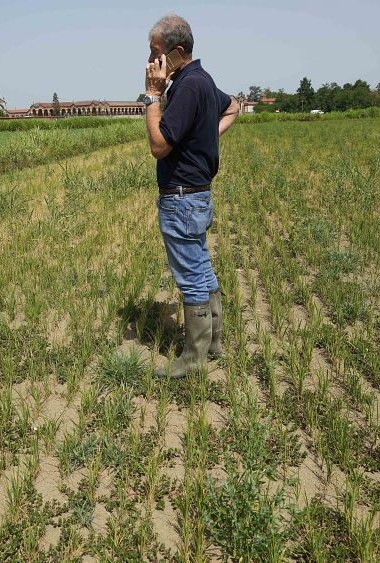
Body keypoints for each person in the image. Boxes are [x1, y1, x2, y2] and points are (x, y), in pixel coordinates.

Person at [144, 14, 240, 379]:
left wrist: (152, 96)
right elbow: (233, 105)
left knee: (190, 276)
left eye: (156, 53)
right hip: (197, 196)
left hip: (182, 199)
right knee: (201, 267)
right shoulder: (203, 80)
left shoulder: (185, 86)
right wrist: (206, 140)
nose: (152, 62)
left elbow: (158, 145)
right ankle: (213, 344)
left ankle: (195, 357)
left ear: (177, 51)